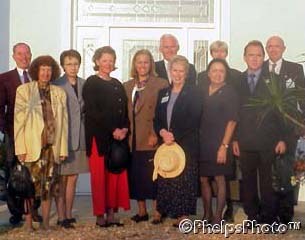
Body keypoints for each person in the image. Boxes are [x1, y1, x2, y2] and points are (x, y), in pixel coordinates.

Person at [232, 40, 286, 224]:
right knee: (247, 182)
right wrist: (234, 140)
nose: (254, 59)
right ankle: (252, 215)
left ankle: (269, 217)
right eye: (251, 55)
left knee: (267, 182)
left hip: (268, 141)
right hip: (245, 140)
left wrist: (282, 138)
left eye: (258, 55)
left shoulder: (274, 80)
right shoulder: (237, 80)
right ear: (245, 57)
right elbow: (234, 112)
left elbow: (282, 112)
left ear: (263, 58)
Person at [14, 55, 68, 230]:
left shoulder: (60, 93)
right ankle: (29, 224)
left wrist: (63, 148)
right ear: (36, 70)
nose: (45, 73)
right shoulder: (24, 91)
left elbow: (64, 123)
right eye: (42, 69)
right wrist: (20, 148)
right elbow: (18, 122)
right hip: (31, 147)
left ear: (53, 71)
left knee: (49, 188)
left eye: (49, 69)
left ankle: (45, 223)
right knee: (28, 189)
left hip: (52, 148)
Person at [83, 46, 130, 227]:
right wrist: (113, 129)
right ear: (97, 62)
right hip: (99, 138)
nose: (108, 64)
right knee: (99, 177)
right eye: (104, 60)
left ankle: (112, 213)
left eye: (111, 60)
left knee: (115, 175)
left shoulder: (118, 84)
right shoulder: (91, 83)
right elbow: (94, 112)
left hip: (118, 138)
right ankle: (100, 215)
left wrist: (124, 128)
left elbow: (124, 110)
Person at [153, 55, 202, 226]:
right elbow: (157, 118)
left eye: (181, 71)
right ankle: (163, 209)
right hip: (166, 141)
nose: (178, 74)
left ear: (186, 73)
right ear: (170, 71)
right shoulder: (163, 93)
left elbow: (194, 118)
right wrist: (162, 132)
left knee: (185, 178)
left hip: (185, 142)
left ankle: (183, 213)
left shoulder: (194, 92)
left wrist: (174, 135)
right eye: (175, 70)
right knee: (166, 174)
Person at [197, 40, 241, 222]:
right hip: (202, 140)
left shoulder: (230, 92)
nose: (217, 74)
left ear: (226, 74)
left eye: (221, 71)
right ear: (208, 73)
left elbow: (232, 121)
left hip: (221, 141)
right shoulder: (200, 90)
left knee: (220, 178)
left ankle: (217, 217)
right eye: (214, 71)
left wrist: (224, 146)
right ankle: (206, 214)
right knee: (204, 179)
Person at [264, 35, 305, 224]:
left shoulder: (295, 69)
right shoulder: (260, 69)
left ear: (284, 48)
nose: (273, 50)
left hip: (289, 130)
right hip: (265, 131)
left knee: (287, 172)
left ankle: (286, 214)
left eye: (277, 46)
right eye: (270, 46)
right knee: (268, 172)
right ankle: (269, 212)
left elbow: (302, 98)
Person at [123, 49, 168, 223]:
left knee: (154, 175)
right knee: (136, 176)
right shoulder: (127, 85)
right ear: (134, 64)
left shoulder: (161, 83)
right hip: (132, 138)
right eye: (139, 62)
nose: (142, 65)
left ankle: (158, 211)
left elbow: (163, 113)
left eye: (146, 62)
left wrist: (155, 133)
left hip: (151, 137)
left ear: (151, 65)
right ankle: (142, 211)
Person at [0, 42, 42, 225]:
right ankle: (16, 212)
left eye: (27, 54)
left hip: (34, 135)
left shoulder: (38, 78)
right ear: (13, 56)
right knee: (14, 174)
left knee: (34, 173)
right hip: (13, 135)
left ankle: (33, 210)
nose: (24, 57)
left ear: (31, 55)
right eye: (20, 54)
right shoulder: (5, 78)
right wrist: (6, 130)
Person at [54, 50, 89, 228]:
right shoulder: (56, 85)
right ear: (63, 66)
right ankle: (60, 216)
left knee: (73, 178)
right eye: (69, 64)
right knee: (61, 178)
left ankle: (68, 213)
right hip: (63, 138)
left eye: (75, 63)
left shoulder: (85, 84)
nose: (72, 67)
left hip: (80, 137)